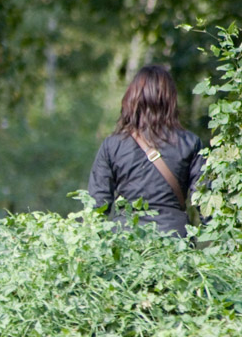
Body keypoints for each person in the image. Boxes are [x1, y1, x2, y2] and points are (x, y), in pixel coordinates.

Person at [87, 64, 204, 238]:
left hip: (127, 240)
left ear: (132, 99)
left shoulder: (112, 145)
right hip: (175, 240)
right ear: (170, 101)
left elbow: (97, 207)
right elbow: (206, 203)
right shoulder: (190, 143)